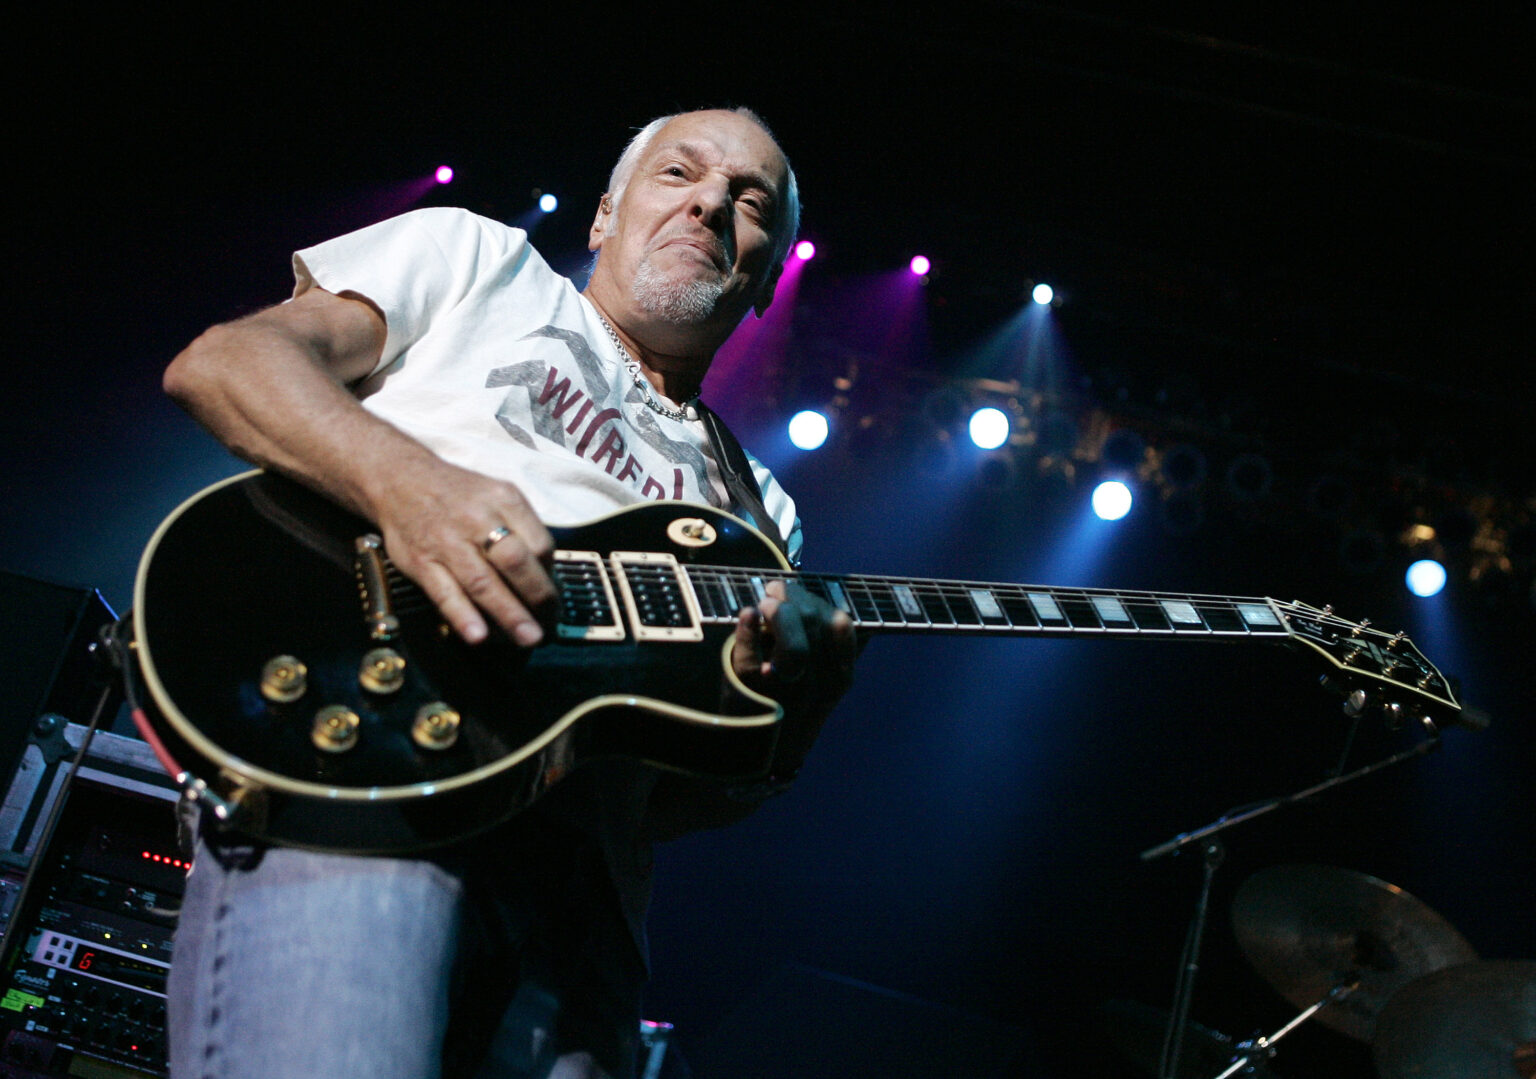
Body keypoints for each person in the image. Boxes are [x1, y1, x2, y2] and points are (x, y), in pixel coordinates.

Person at [160, 107, 856, 1079]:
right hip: (375, 792)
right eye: (679, 173)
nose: (710, 201)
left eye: (750, 204)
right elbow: (228, 364)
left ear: (771, 277)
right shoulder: (480, 260)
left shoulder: (759, 511)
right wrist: (411, 486)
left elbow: (677, 796)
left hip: (584, 921)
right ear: (605, 214)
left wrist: (804, 707)